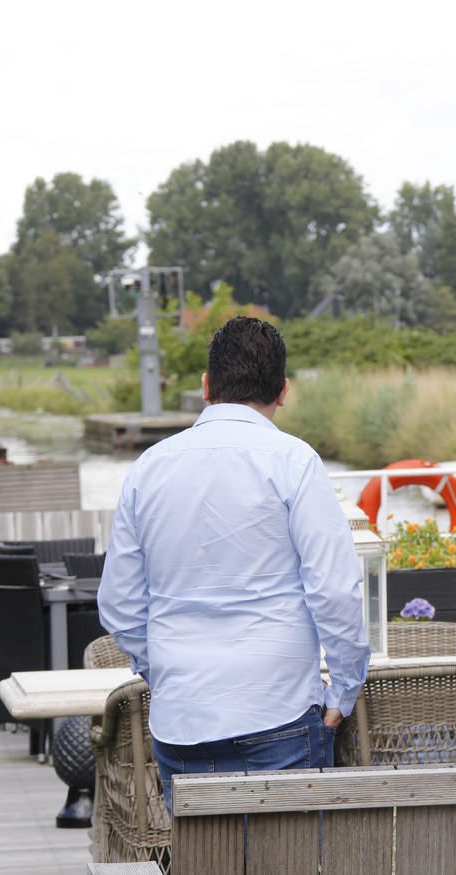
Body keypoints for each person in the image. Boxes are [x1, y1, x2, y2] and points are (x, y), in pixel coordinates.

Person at [98, 316, 370, 810]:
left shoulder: (148, 468)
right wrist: (344, 689)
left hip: (181, 719)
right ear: (283, 391)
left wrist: (166, 671)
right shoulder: (295, 462)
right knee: (290, 852)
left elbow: (119, 603)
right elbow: (335, 590)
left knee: (201, 851)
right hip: (279, 709)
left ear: (206, 387)